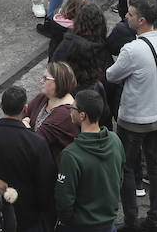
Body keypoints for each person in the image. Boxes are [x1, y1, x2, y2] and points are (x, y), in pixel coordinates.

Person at [105, 0, 157, 232]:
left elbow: (112, 75)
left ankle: (131, 221)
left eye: (130, 14)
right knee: (155, 166)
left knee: (126, 169)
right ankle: (154, 220)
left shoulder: (132, 49)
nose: (126, 16)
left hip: (133, 120)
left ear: (141, 21)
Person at [0, 87, 55, 231]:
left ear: (1, 105)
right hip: (25, 217)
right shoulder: (37, 143)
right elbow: (45, 184)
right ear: (25, 108)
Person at [53, 90, 124, 232]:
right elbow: (120, 178)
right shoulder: (115, 141)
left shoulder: (71, 154)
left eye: (72, 108)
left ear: (82, 115)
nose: (70, 112)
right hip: (108, 224)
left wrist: (67, 221)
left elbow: (64, 199)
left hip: (79, 226)